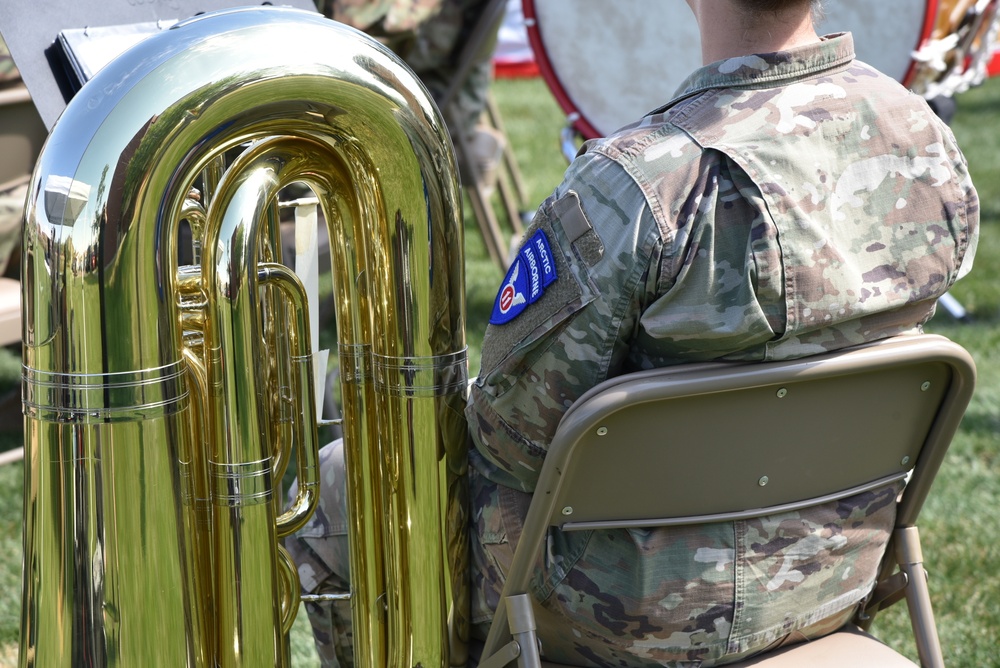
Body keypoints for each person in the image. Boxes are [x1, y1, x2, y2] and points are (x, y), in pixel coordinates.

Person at [289, 0, 980, 666]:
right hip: (834, 575)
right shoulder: (922, 136)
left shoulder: (639, 183)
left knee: (344, 483)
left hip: (625, 615)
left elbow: (510, 435)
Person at [317, 0, 505, 191]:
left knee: (317, 96)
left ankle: (306, 199)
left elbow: (368, 25)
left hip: (434, 108)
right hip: (440, 94)